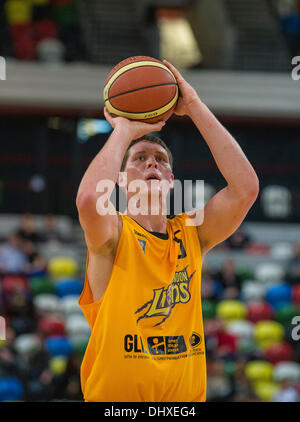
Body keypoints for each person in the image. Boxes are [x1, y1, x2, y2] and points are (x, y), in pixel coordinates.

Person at [76, 60, 259, 402]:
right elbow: (89, 198)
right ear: (120, 178)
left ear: (171, 181)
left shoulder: (192, 232)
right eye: (140, 158)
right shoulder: (113, 235)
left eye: (161, 160)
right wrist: (123, 131)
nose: (152, 164)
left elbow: (246, 189)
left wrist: (194, 106)